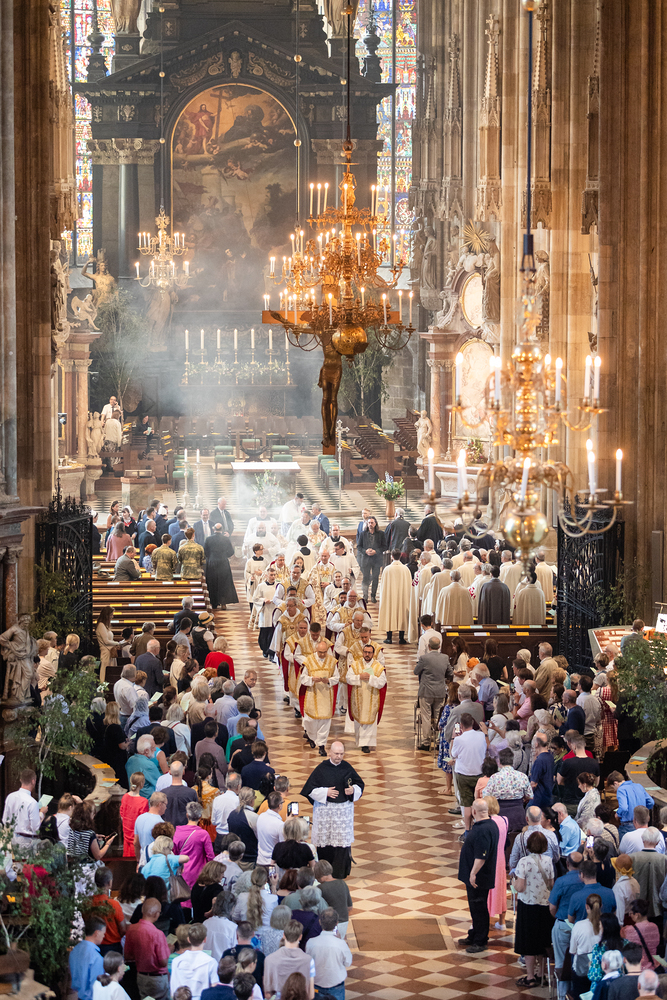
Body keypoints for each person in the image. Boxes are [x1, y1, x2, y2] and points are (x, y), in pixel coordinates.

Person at [300, 741, 364, 880]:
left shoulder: (347, 767)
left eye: (341, 754)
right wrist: (325, 792)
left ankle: (339, 873)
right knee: (326, 844)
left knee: (341, 845)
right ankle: (324, 873)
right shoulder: (321, 768)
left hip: (343, 812)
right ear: (330, 752)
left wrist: (353, 790)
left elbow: (359, 785)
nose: (338, 757)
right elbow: (309, 790)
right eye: (336, 754)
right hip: (326, 811)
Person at [457, 798, 499, 953]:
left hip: (479, 877)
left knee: (479, 907)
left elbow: (481, 856)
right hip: (478, 875)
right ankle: (474, 934)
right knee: (475, 907)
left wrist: (473, 873)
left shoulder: (483, 830)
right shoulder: (488, 825)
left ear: (474, 811)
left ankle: (480, 940)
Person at [124, 898, 171, 1000]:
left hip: (141, 976)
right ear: (157, 914)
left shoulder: (131, 929)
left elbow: (127, 956)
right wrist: (169, 950)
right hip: (157, 978)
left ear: (142, 910)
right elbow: (163, 962)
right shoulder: (158, 934)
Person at [298, 641, 339, 755]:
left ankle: (322, 745)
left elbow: (336, 677)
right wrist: (312, 679)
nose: (322, 654)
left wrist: (328, 680)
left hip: (326, 695)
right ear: (316, 650)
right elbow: (303, 678)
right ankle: (311, 736)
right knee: (310, 720)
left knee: (325, 721)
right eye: (320, 652)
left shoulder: (332, 661)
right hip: (313, 694)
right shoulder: (309, 661)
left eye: (324, 652)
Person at [345, 643, 387, 753]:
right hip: (358, 698)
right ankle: (360, 742)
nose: (367, 654)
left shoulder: (378, 667)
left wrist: (371, 678)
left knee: (369, 723)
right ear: (362, 653)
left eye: (369, 652)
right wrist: (359, 677)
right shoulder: (355, 665)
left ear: (373, 654)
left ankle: (366, 744)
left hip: (372, 698)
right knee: (359, 722)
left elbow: (382, 682)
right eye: (365, 652)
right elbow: (348, 678)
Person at [305, 906, 352, 1000]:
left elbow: (307, 963)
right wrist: (340, 940)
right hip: (336, 985)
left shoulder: (311, 942)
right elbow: (348, 962)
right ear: (337, 923)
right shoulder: (341, 944)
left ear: (320, 922)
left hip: (317, 984)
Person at [414, 635, 452, 752]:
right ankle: (438, 741)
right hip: (440, 691)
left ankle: (426, 742)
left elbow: (416, 671)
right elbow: (450, 672)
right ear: (439, 646)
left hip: (426, 691)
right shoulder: (445, 658)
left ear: (429, 646)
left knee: (426, 717)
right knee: (438, 717)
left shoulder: (424, 658)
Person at [451, 713, 487, 833]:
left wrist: (453, 738)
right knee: (479, 802)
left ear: (461, 725)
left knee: (466, 804)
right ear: (472, 723)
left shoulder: (459, 739)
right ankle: (478, 829)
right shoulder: (481, 735)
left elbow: (453, 754)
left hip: (463, 774)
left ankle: (467, 831)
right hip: (479, 773)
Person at [263, 920, 315, 999]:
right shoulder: (309, 961)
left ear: (284, 935)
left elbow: (267, 994)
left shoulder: (269, 959)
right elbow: (311, 995)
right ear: (300, 937)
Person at [170, 923, 218, 1000]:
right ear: (205, 939)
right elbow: (214, 987)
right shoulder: (211, 962)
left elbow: (173, 989)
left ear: (188, 939)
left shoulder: (176, 961)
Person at [2, 767, 46, 851]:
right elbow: (35, 827)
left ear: (21, 780)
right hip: (26, 841)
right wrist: (41, 813)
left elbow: (4, 820)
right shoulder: (32, 802)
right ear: (33, 781)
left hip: (11, 838)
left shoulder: (10, 797)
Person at [569, 893, 604, 998]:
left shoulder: (578, 926)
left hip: (582, 970)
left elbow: (572, 950)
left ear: (586, 907)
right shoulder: (606, 925)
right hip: (601, 969)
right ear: (601, 906)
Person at [88, 866, 128, 956]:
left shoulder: (87, 903)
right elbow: (123, 930)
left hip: (93, 945)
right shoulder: (113, 904)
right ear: (110, 883)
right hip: (113, 946)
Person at [484, 795, 509, 931]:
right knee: (500, 889)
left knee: (486, 890)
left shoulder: (486, 823)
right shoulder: (504, 820)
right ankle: (502, 921)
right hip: (501, 859)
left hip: (489, 859)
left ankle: (484, 920)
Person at [606, 772, 655, 839]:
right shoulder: (639, 786)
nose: (615, 790)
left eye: (613, 787)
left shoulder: (621, 789)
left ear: (615, 783)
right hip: (642, 822)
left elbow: (623, 807)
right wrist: (642, 810)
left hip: (628, 825)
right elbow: (651, 802)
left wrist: (617, 814)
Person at [378, 549, 411, 643]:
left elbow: (383, 585)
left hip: (390, 596)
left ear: (391, 556)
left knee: (389, 612)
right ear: (400, 556)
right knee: (402, 613)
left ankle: (389, 638)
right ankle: (401, 638)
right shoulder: (405, 569)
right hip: (402, 595)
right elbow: (409, 584)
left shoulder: (387, 569)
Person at [69, 917, 106, 1000]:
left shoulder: (75, 950)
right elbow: (97, 988)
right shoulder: (96, 957)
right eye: (103, 933)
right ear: (97, 933)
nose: (104, 936)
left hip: (79, 995)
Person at [356, 515, 385, 603]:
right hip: (366, 559)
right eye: (369, 523)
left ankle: (373, 595)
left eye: (372, 523)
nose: (370, 524)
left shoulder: (381, 534)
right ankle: (365, 595)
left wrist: (376, 551)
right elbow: (359, 546)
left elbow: (384, 546)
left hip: (377, 559)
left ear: (375, 523)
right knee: (365, 578)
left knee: (375, 578)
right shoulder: (363, 534)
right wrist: (365, 551)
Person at [120, 772, 149, 856]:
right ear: (142, 784)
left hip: (126, 834)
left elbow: (122, 816)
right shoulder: (143, 801)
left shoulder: (125, 797)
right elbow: (143, 823)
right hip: (137, 838)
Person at [203, 892, 238, 963]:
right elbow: (234, 950)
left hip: (206, 963)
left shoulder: (205, 923)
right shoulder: (232, 928)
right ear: (232, 908)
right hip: (224, 965)